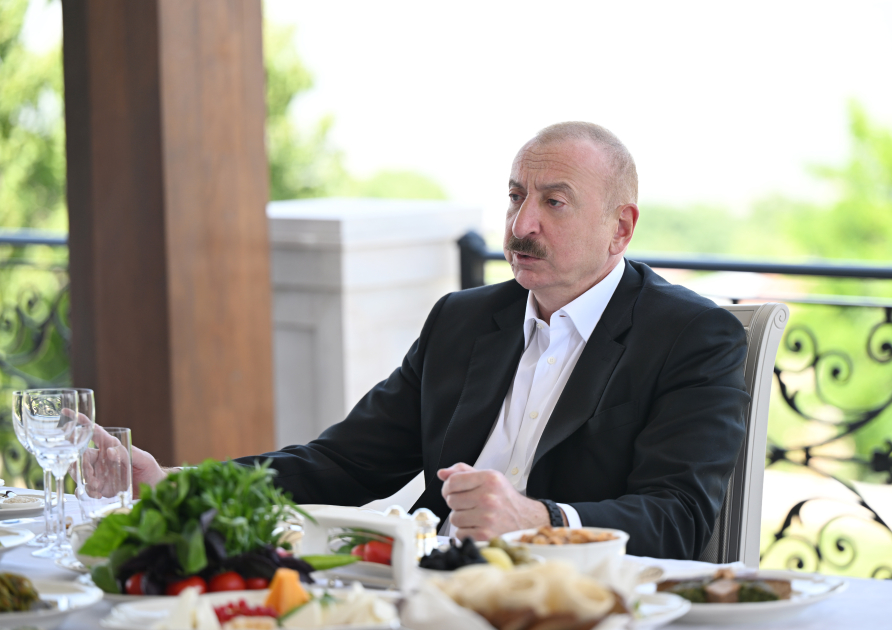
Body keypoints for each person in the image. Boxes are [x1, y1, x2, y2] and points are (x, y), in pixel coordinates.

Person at [129, 122, 749, 560]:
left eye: (554, 202)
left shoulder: (693, 336)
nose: (522, 224)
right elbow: (342, 463)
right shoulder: (462, 319)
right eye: (515, 196)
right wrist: (180, 487)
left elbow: (678, 518)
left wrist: (540, 519)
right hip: (426, 588)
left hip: (567, 601)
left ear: (621, 227)